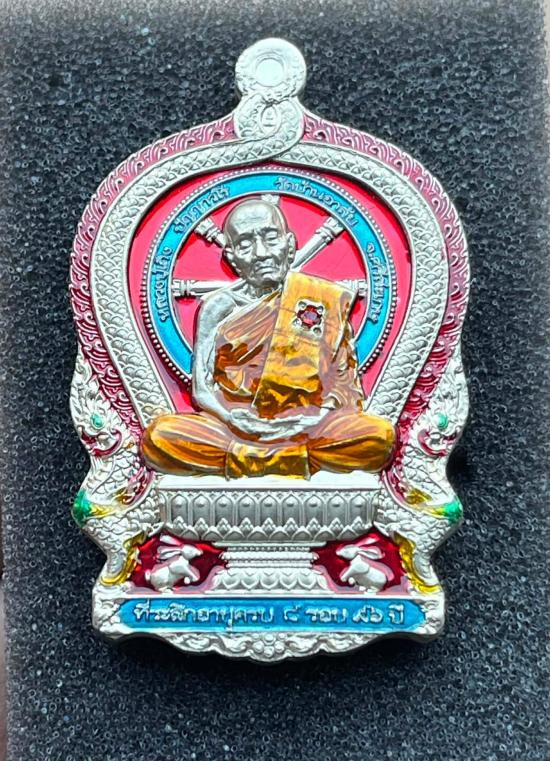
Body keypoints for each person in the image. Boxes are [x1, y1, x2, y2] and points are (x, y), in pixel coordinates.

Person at [141, 198, 395, 479]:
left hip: (309, 426)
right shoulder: (218, 307)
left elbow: (343, 385)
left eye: (271, 238)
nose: (261, 253)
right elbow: (201, 390)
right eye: (245, 244)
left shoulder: (322, 300)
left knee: (378, 437)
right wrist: (232, 419)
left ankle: (257, 458)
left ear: (290, 245)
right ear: (231, 257)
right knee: (160, 437)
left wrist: (315, 420)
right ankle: (293, 457)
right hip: (235, 427)